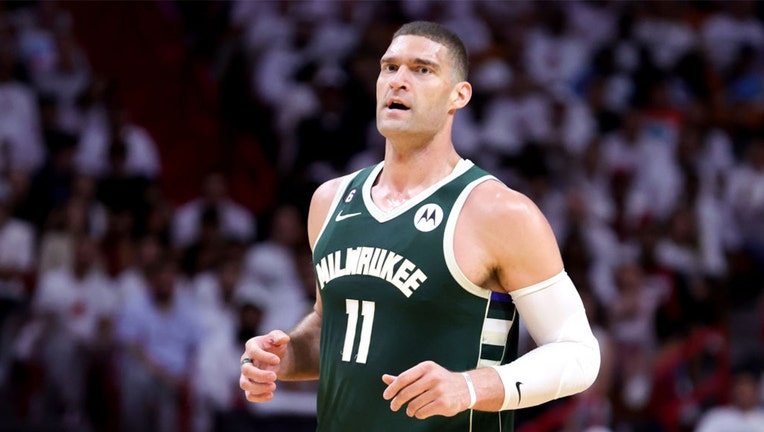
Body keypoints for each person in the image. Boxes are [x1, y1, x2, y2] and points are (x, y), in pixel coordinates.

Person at [239, 21, 600, 431]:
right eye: (389, 67)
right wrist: (283, 357)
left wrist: (469, 387)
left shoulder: (497, 211)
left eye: (422, 69)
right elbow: (335, 328)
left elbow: (578, 354)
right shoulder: (330, 201)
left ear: (458, 95)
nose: (399, 81)